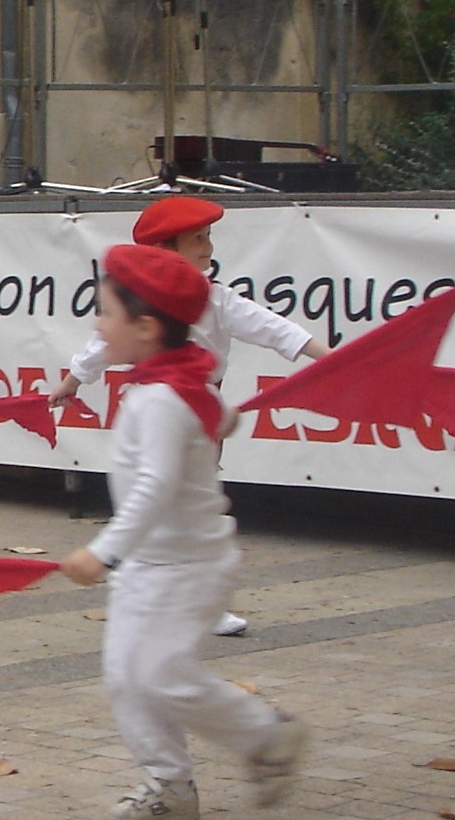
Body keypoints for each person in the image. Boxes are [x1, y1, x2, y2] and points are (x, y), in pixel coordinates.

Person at [59, 244, 309, 820]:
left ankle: (267, 735)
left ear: (145, 328)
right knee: (127, 675)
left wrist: (101, 552)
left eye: (105, 314)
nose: (98, 325)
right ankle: (168, 785)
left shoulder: (163, 399)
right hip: (152, 565)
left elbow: (156, 485)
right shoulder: (173, 381)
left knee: (163, 674)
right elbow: (220, 417)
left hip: (188, 566)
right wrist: (219, 418)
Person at [48, 193, 329, 635]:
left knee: (189, 504)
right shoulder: (140, 310)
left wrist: (324, 356)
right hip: (160, 406)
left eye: (208, 236)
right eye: (197, 238)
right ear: (163, 252)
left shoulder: (217, 300)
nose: (208, 247)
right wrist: (72, 381)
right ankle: (147, 576)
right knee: (157, 494)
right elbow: (100, 346)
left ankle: (192, 597)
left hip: (200, 411)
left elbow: (273, 327)